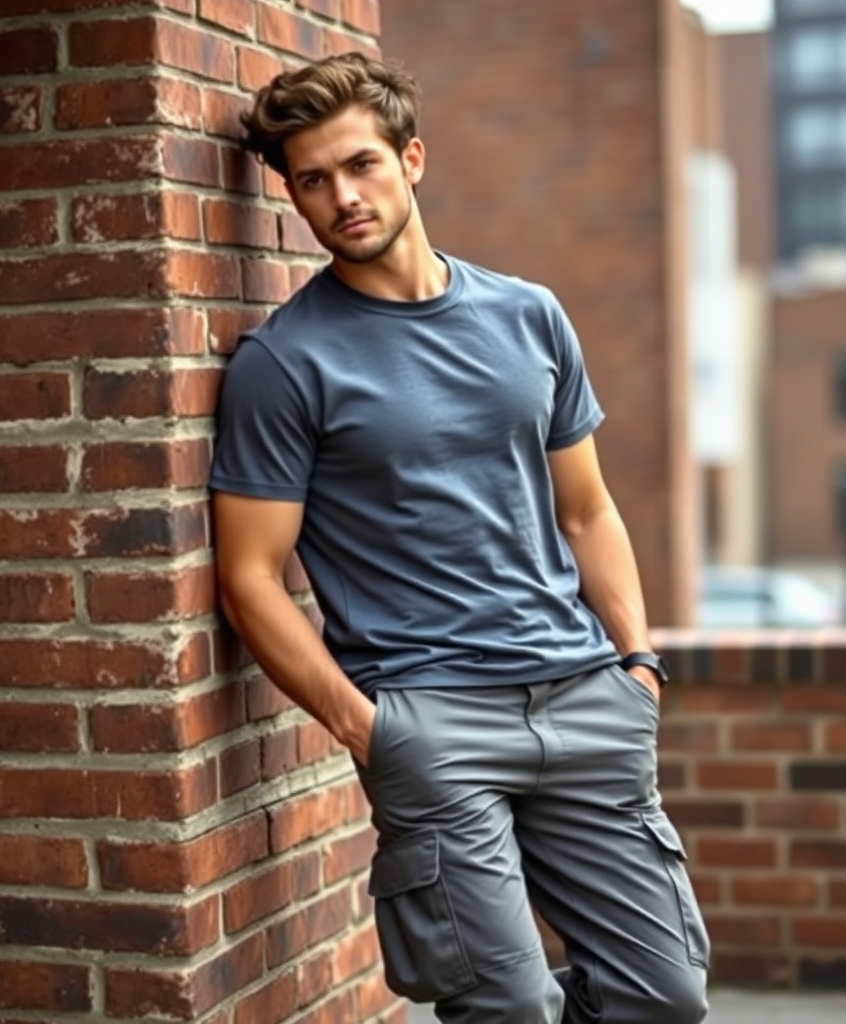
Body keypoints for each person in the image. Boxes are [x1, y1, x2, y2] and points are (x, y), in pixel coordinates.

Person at [210, 51, 709, 1024]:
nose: (343, 198)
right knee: (504, 1008)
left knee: (664, 995)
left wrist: (637, 663)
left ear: (412, 158)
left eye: (361, 164)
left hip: (585, 700)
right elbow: (250, 578)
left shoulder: (530, 317)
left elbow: (587, 510)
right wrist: (369, 730)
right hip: (431, 720)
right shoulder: (286, 362)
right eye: (312, 180)